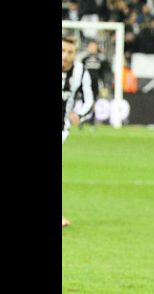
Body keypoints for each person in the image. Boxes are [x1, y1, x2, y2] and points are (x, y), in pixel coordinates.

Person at [62, 36, 95, 228]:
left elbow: (90, 100)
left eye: (70, 52)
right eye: (63, 51)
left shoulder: (81, 72)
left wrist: (79, 114)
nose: (66, 56)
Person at [80, 41, 111, 129]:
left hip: (95, 84)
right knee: (84, 101)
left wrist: (104, 85)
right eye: (91, 46)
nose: (92, 48)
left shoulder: (101, 59)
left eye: (94, 46)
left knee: (93, 102)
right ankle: (82, 119)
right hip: (84, 84)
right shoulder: (84, 59)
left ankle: (92, 121)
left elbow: (104, 73)